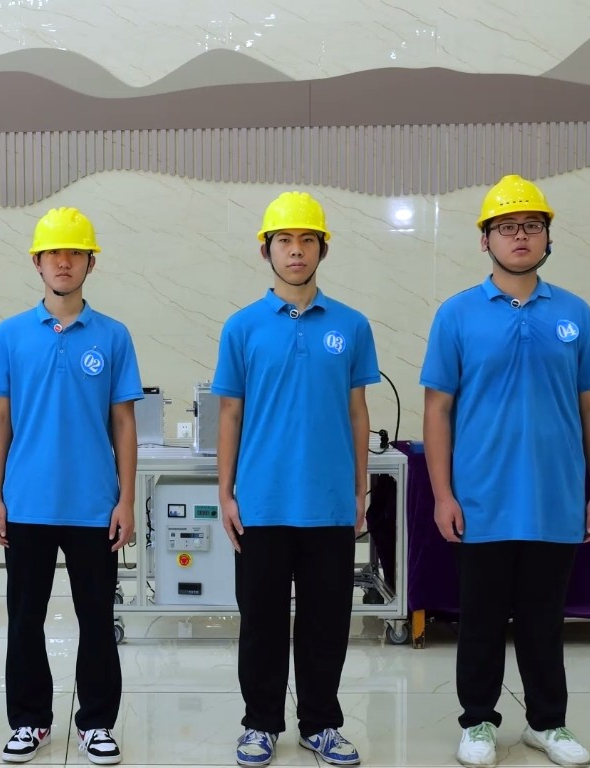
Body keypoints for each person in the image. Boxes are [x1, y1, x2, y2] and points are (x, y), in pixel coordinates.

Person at [420, 174, 590, 768]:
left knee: (543, 621)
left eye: (531, 225)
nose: (520, 236)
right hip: (481, 499)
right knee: (479, 620)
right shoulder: (457, 315)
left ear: (548, 237)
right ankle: (478, 721)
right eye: (506, 227)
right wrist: (443, 494)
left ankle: (547, 723)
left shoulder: (574, 313)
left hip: (554, 498)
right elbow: (438, 408)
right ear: (486, 240)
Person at [212, 191, 379, 767]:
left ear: (322, 249)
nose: (296, 250)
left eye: (308, 239)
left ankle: (321, 723)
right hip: (261, 502)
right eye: (284, 240)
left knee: (326, 622)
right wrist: (225, 491)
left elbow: (357, 411)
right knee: (260, 622)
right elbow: (229, 413)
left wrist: (359, 490)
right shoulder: (242, 327)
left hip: (329, 502)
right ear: (266, 250)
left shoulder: (351, 325)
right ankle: (260, 723)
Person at [0, 207, 142, 765]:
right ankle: (29, 720)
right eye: (54, 253)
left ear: (91, 263)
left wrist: (125, 499)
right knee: (24, 618)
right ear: (37, 262)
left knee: (96, 618)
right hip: (27, 502)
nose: (64, 262)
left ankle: (97, 722)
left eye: (75, 253)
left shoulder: (113, 336)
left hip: (94, 504)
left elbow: (123, 422)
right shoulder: (10, 335)